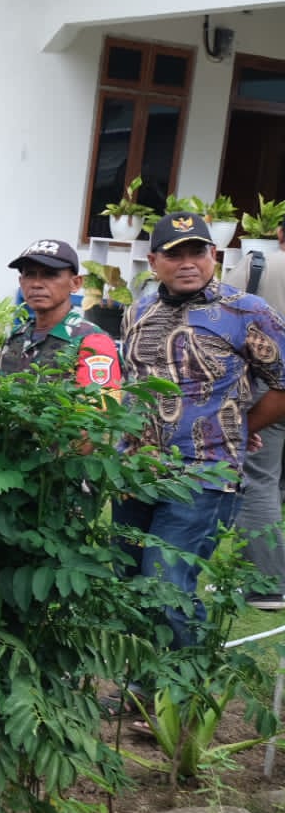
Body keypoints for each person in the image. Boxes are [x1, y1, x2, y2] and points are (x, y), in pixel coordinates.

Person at [115, 212, 285, 650]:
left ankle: (182, 692)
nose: (187, 262)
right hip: (135, 473)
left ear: (215, 255)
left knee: (165, 581)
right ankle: (142, 691)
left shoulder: (246, 311)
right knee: (127, 582)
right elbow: (132, 385)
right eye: (174, 254)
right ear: (153, 261)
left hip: (204, 473)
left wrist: (242, 423)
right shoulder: (137, 311)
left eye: (198, 251)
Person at [236, 216, 285, 609]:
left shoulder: (260, 264)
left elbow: (221, 316)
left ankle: (267, 586)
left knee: (258, 480)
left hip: (270, 389)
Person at [0, 238, 122, 389]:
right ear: (20, 281)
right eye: (29, 274)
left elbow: (99, 409)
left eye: (50, 275)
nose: (36, 284)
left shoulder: (92, 341)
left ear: (75, 283)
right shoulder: (16, 337)